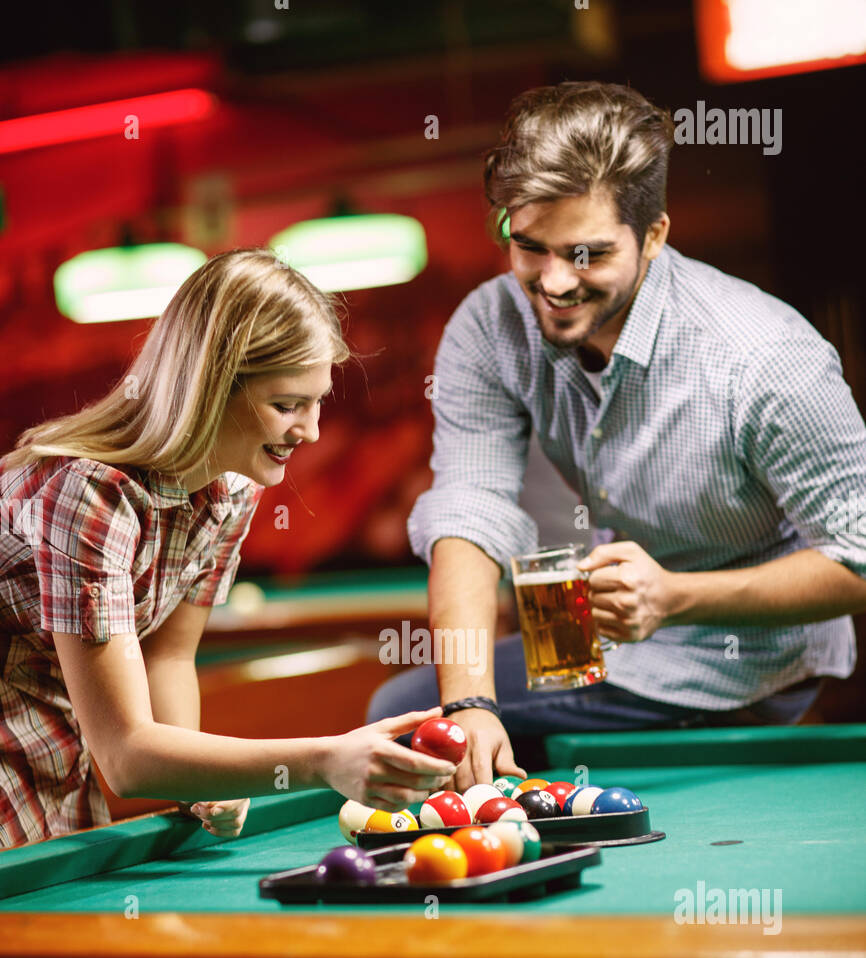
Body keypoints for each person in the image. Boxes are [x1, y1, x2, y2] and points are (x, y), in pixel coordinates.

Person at [366, 81, 866, 788]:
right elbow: (469, 510)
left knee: (403, 711)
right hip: (596, 638)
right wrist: (470, 702)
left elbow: (859, 558)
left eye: (587, 254)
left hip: (747, 659)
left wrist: (674, 597)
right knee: (433, 721)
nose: (553, 281)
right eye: (529, 245)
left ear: (655, 235)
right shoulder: (490, 326)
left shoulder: (766, 358)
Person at [0, 249, 456, 849]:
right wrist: (323, 761)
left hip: (62, 751)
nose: (312, 431)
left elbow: (167, 658)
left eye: (317, 401)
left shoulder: (231, 492)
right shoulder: (90, 493)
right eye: (287, 405)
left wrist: (195, 774)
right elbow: (128, 757)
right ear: (209, 389)